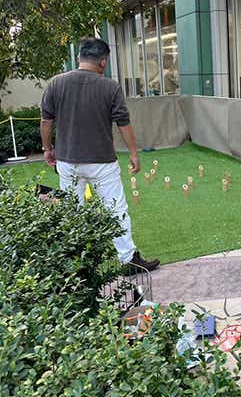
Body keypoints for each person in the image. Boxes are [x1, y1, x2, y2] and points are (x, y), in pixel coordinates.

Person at [40, 37, 160, 273]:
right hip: (102, 162)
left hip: (67, 161)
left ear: (78, 58)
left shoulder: (55, 83)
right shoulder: (110, 87)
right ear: (103, 62)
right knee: (116, 209)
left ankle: (75, 265)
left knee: (71, 210)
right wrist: (134, 153)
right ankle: (128, 260)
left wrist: (47, 149)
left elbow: (46, 121)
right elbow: (123, 123)